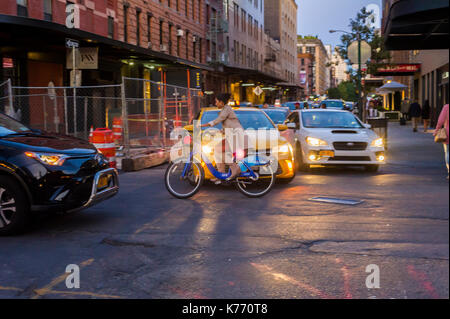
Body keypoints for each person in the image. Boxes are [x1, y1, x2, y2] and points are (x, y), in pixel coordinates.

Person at [201, 93, 244, 182]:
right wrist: (219, 131)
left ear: (221, 102)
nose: (215, 103)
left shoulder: (227, 109)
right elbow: (229, 124)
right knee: (217, 149)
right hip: (231, 134)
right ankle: (221, 174)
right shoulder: (225, 109)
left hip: (236, 135)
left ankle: (234, 168)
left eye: (216, 101)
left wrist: (205, 125)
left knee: (219, 150)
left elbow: (220, 118)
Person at [434, 104, 449, 179]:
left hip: (448, 134)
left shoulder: (447, 107)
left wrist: (436, 130)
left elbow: (441, 121)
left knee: (448, 152)